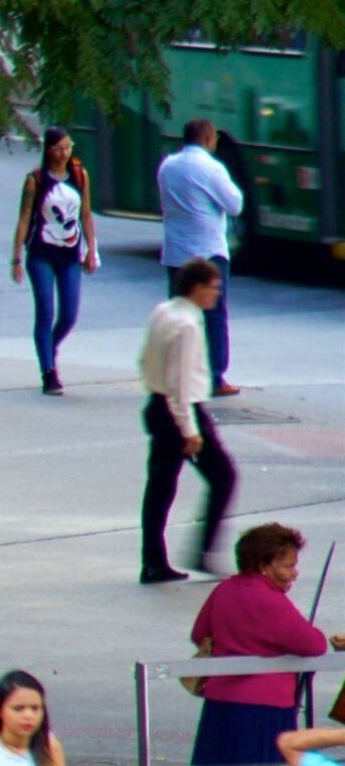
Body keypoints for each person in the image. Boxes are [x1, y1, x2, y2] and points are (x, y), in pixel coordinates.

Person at [178, 526, 327, 766]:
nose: (293, 573)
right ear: (264, 564)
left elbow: (200, 633)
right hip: (265, 710)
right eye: (287, 565)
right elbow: (313, 644)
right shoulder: (270, 600)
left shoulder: (225, 589)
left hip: (221, 708)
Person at [137, 260, 240, 583]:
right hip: (182, 411)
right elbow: (179, 383)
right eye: (214, 288)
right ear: (197, 287)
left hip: (157, 406)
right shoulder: (189, 326)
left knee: (160, 487)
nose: (216, 295)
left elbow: (145, 360)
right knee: (223, 477)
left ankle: (153, 561)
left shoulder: (164, 311)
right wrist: (190, 430)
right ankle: (204, 551)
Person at [155, 119, 246, 395]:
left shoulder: (167, 166)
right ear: (208, 139)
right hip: (208, 252)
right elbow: (235, 205)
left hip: (176, 252)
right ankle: (216, 377)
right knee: (214, 316)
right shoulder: (211, 167)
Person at [11, 129, 99, 395]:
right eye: (59, 148)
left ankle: (49, 346)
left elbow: (86, 214)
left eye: (68, 147)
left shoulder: (80, 176)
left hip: (70, 252)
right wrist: (16, 257)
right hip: (41, 252)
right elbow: (25, 218)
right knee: (45, 311)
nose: (65, 152)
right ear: (49, 150)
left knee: (69, 314)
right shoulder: (35, 180)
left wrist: (91, 250)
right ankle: (48, 372)